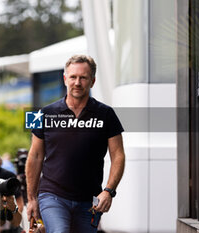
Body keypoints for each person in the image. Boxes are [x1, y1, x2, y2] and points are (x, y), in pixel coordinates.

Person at [26, 55, 125, 233]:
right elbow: (34, 156)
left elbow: (118, 155)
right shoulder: (43, 113)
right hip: (52, 195)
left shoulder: (107, 114)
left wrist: (109, 191)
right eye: (73, 77)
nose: (77, 82)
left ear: (92, 81)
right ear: (65, 79)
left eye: (83, 77)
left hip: (89, 202)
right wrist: (31, 198)